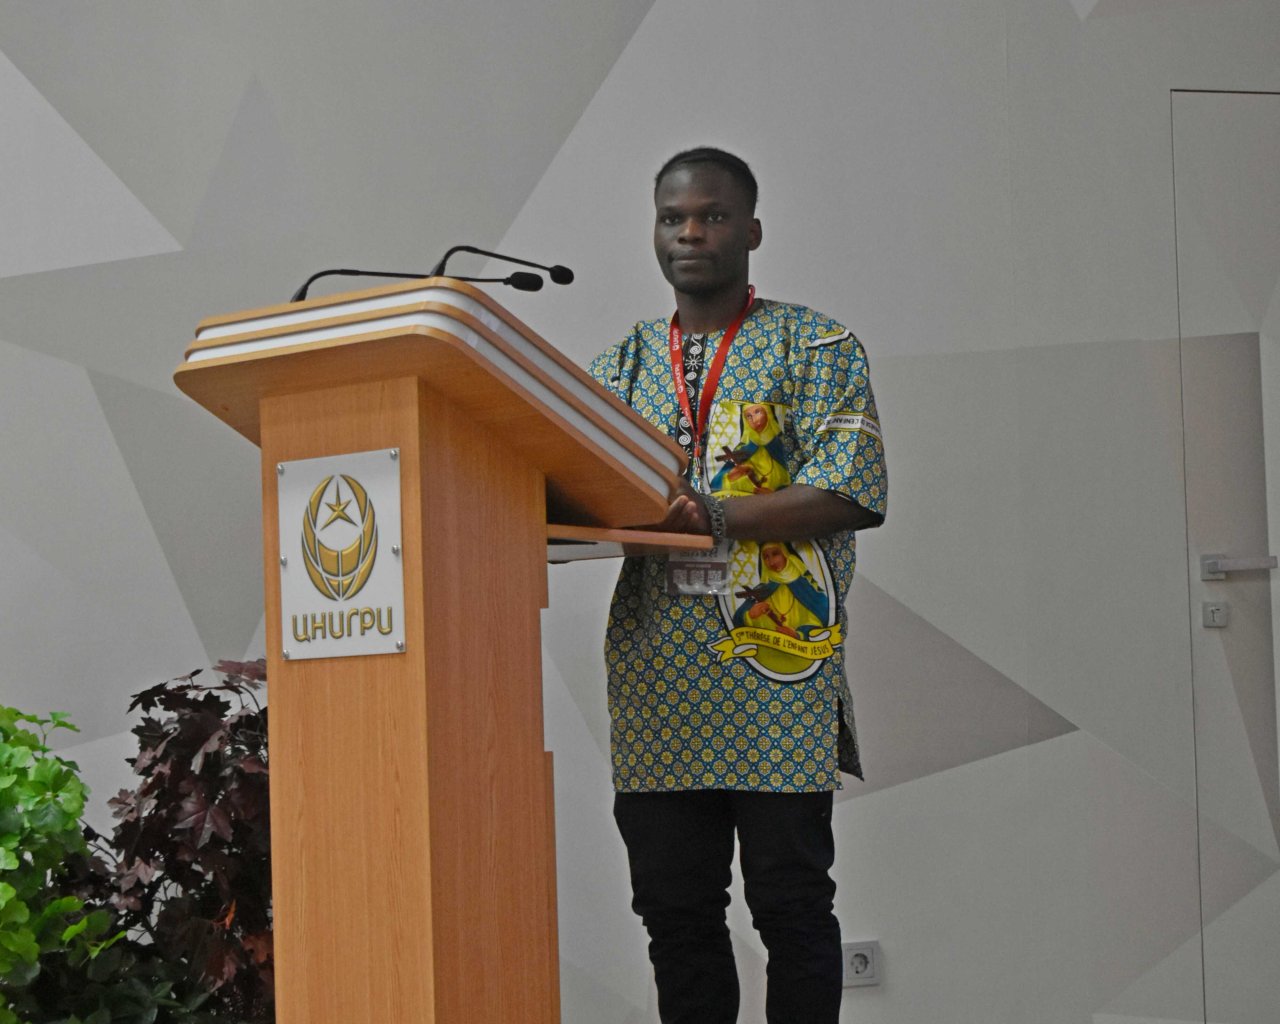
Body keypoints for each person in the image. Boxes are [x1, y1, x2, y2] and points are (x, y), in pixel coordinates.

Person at [588, 147, 887, 1024]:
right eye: (672, 218)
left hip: (777, 667)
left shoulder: (816, 345)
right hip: (660, 680)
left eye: (712, 216)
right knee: (674, 914)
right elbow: (577, 485)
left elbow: (851, 490)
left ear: (752, 231)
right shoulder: (621, 367)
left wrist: (712, 516)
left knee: (791, 906)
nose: (690, 233)